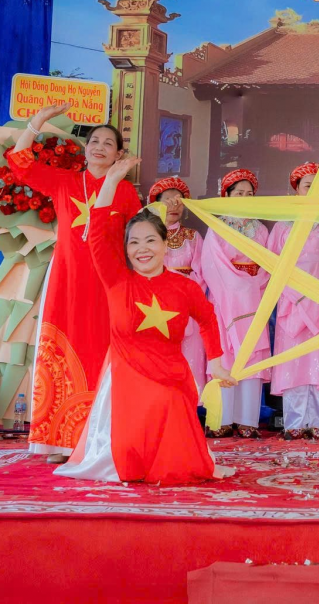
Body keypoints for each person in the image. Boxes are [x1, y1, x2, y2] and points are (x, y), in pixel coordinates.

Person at [56, 156, 235, 485]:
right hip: (126, 378)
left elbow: (208, 319)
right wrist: (111, 181)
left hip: (171, 376)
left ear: (165, 244)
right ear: (125, 249)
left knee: (177, 450)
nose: (142, 249)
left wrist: (217, 362)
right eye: (134, 242)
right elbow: (97, 234)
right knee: (130, 457)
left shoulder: (185, 287)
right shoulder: (117, 280)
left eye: (150, 240)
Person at [7, 103, 141, 464]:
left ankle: (99, 439)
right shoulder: (65, 181)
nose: (99, 147)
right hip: (66, 278)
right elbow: (20, 163)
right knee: (63, 355)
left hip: (107, 283)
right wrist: (38, 121)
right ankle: (59, 441)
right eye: (94, 141)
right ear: (85, 148)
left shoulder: (125, 193)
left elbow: (136, 241)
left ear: (119, 154)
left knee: (100, 353)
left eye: (108, 143)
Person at [267, 162, 319, 438]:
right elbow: (272, 261)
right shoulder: (283, 225)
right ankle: (294, 422)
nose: (313, 191)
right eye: (308, 186)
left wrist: (315, 273)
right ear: (297, 190)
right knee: (295, 360)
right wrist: (296, 282)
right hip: (292, 300)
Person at [197, 169, 270, 437]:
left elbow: (269, 264)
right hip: (224, 299)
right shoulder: (216, 228)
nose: (244, 197)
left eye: (249, 193)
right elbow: (211, 265)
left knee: (251, 356)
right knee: (225, 355)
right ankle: (222, 419)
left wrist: (253, 286)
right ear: (226, 195)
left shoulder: (261, 229)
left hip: (254, 299)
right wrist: (241, 288)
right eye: (239, 193)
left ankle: (247, 420)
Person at [147, 176, 208, 393]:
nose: (174, 205)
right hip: (154, 305)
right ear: (156, 204)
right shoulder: (146, 236)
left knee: (189, 357)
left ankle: (188, 404)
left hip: (188, 305)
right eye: (168, 200)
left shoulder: (193, 237)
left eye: (179, 201)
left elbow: (203, 274)